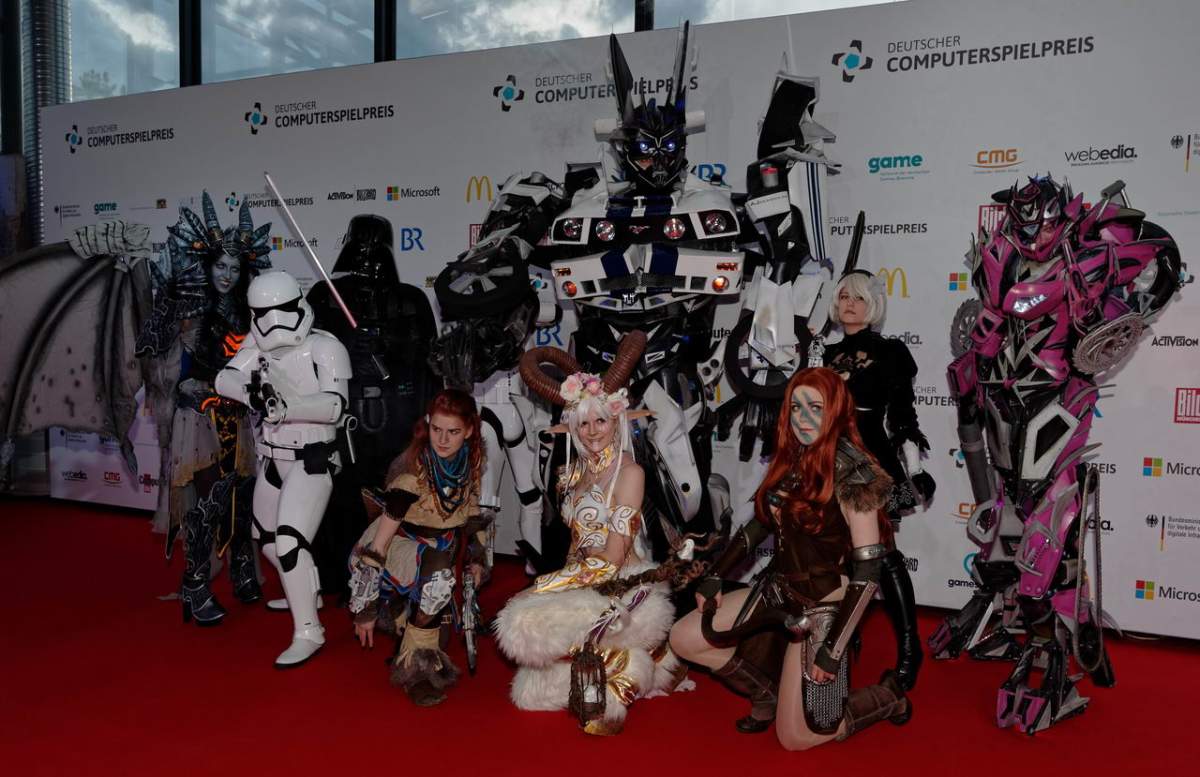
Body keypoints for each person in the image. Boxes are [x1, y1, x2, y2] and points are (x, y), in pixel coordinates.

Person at [669, 367, 911, 750]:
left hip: (822, 604)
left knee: (797, 737)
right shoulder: (793, 458)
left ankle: (887, 696)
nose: (803, 418)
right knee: (685, 638)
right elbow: (757, 527)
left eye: (815, 407)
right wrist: (714, 575)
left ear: (835, 409)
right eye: (796, 407)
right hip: (777, 590)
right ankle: (767, 693)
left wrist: (832, 650)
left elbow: (868, 572)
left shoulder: (857, 476)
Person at [493, 333, 687, 736]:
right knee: (528, 692)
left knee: (522, 619)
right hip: (584, 579)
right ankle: (635, 661)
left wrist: (544, 586)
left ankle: (629, 667)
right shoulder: (574, 474)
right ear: (573, 426)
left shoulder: (630, 473)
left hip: (622, 585)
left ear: (616, 420)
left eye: (601, 420)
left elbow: (612, 559)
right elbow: (577, 547)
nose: (593, 431)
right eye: (584, 423)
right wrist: (557, 585)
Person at [136, 194, 272, 626]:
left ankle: (242, 567)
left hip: (236, 415)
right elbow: (149, 345)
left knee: (241, 495)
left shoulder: (250, 311)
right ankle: (195, 584)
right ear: (208, 265)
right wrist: (166, 301)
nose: (227, 275)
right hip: (197, 417)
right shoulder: (187, 300)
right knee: (206, 498)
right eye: (220, 266)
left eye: (235, 268)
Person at [215, 270, 352, 668]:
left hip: (313, 458)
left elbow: (335, 405)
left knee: (290, 541)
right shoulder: (255, 342)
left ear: (298, 305)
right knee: (267, 538)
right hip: (273, 459)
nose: (273, 323)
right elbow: (224, 377)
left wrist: (289, 406)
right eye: (263, 314)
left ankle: (309, 631)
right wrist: (251, 394)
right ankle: (304, 591)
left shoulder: (324, 347)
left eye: (281, 310)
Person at [821, 269, 934, 690]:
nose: (850, 304)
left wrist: (915, 469)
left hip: (869, 463)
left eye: (859, 298)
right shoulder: (822, 352)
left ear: (873, 305)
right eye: (844, 296)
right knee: (833, 557)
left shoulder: (890, 352)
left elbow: (902, 415)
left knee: (882, 554)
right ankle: (839, 641)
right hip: (825, 462)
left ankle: (910, 649)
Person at [346, 388, 491, 707]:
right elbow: (379, 542)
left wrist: (477, 558)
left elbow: (470, 517)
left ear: (469, 431)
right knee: (437, 579)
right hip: (399, 544)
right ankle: (416, 675)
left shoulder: (470, 462)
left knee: (438, 633)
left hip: (442, 546)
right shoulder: (413, 472)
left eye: (453, 432)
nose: (443, 440)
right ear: (428, 424)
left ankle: (406, 620)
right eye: (436, 429)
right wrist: (365, 608)